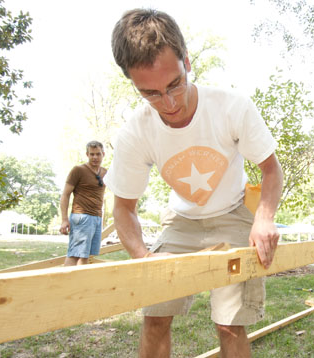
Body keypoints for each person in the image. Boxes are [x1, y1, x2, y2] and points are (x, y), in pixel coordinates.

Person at [104, 9, 283, 358]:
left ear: (186, 61)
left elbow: (271, 170)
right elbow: (123, 208)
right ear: (133, 83)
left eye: (174, 84)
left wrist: (264, 217)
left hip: (233, 214)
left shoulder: (232, 107)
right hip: (180, 221)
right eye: (151, 94)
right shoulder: (134, 132)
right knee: (155, 318)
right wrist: (143, 257)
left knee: (230, 322)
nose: (168, 104)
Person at [60, 141, 107, 266]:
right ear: (87, 154)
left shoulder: (105, 173)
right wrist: (64, 219)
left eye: (98, 154)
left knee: (86, 254)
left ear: (103, 154)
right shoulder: (78, 170)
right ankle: (63, 283)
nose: (95, 157)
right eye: (92, 154)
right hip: (82, 217)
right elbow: (65, 194)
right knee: (75, 254)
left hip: (97, 217)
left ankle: (79, 284)